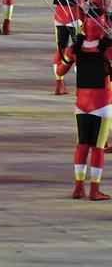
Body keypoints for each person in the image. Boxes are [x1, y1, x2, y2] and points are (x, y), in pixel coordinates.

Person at [56, 15, 112, 200]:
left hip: (81, 105)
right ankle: (94, 190)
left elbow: (60, 71)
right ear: (102, 28)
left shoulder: (75, 49)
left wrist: (66, 58)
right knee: (97, 148)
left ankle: (78, 187)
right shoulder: (108, 50)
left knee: (81, 146)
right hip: (102, 105)